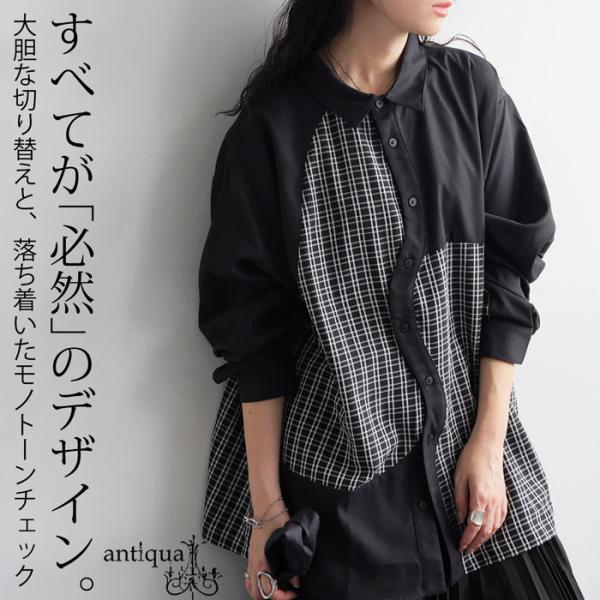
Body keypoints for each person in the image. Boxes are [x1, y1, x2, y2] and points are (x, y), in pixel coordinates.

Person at [196, 1, 585, 599]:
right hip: (348, 499)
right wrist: (267, 510)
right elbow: (254, 339)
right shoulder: (273, 130)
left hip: (474, 473)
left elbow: (508, 273)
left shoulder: (470, 91)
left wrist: (488, 442)